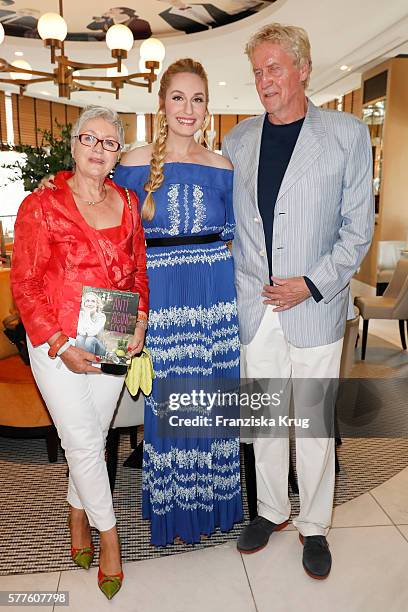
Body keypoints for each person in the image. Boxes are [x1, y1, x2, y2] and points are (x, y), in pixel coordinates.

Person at [222, 23, 374, 579]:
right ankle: (269, 510)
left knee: (311, 423)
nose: (264, 81)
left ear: (303, 68)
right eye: (257, 71)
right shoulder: (237, 142)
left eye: (274, 68)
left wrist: (309, 283)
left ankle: (314, 524)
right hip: (254, 308)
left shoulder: (346, 134)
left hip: (314, 306)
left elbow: (358, 230)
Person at [11, 106, 149, 599]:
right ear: (74, 144)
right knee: (86, 443)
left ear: (118, 154)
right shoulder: (41, 204)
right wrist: (58, 343)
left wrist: (140, 320)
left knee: (87, 437)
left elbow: (137, 271)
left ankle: (76, 512)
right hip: (57, 342)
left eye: (110, 142)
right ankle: (109, 539)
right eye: (89, 138)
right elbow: (24, 285)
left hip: (111, 333)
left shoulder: (129, 202)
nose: (98, 148)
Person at [114, 58, 243, 546]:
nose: (188, 109)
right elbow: (106, 228)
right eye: (178, 97)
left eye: (198, 99)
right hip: (161, 300)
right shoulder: (131, 163)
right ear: (162, 103)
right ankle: (175, 513)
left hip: (214, 298)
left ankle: (214, 508)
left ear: (207, 107)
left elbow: (236, 238)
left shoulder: (224, 166)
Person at [76, 290, 107, 357]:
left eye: (93, 301)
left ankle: (88, 362)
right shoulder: (81, 314)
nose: (90, 304)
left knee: (90, 339)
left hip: (98, 349)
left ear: (97, 304)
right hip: (84, 346)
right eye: (87, 301)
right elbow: (81, 332)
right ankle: (79, 359)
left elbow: (91, 334)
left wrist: (87, 313)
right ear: (84, 304)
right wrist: (87, 314)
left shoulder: (101, 316)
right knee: (79, 338)